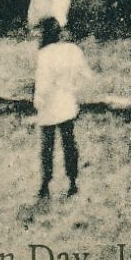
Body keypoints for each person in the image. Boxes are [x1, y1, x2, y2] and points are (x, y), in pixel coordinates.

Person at [33, 16, 92, 199]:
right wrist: (73, 89)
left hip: (50, 105)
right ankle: (73, 181)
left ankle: (45, 184)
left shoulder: (44, 54)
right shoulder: (72, 50)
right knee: (69, 143)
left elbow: (42, 84)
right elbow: (86, 75)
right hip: (67, 102)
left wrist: (38, 102)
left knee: (47, 146)